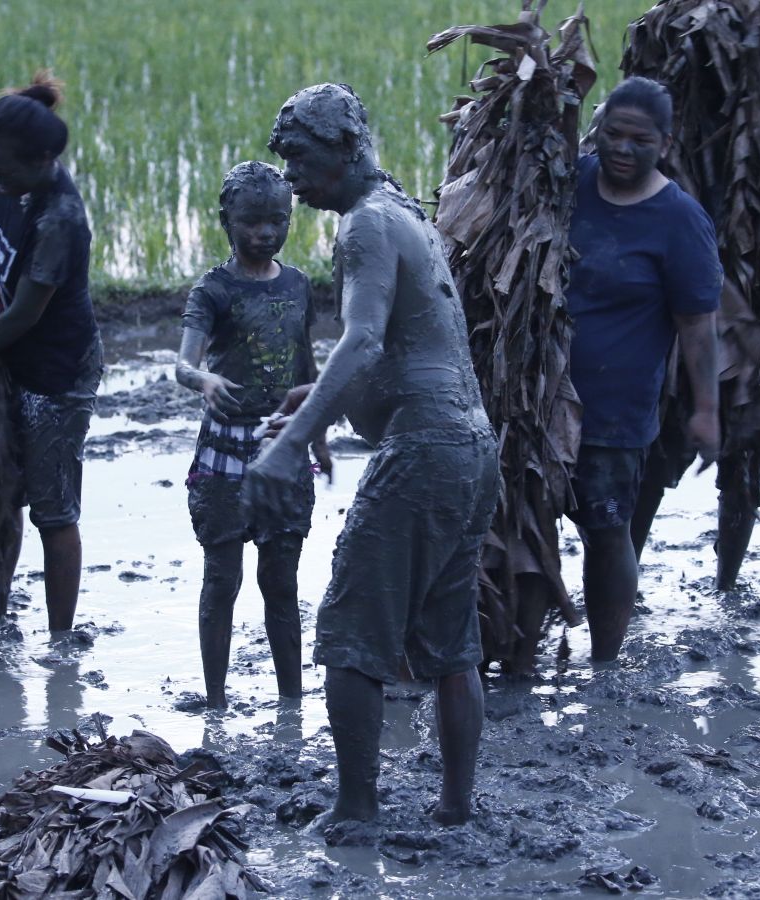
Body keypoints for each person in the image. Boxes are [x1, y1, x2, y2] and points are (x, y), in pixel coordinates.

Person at [244, 83, 498, 827]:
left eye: (299, 156)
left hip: (423, 451)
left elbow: (362, 342)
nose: (289, 175)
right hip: (471, 449)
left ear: (347, 147)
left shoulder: (363, 225)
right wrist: (316, 405)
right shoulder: (403, 213)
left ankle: (355, 811)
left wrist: (289, 446)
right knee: (452, 641)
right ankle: (456, 805)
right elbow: (411, 351)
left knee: (353, 632)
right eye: (283, 157)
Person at [566, 76, 721, 662]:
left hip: (615, 412)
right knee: (521, 520)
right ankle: (514, 650)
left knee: (607, 533)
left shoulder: (679, 220)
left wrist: (706, 411)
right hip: (540, 401)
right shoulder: (572, 183)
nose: (623, 150)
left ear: (666, 142)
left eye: (640, 140)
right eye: (612, 134)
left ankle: (605, 657)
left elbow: (697, 328)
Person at [174, 160, 328, 709]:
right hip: (224, 450)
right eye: (252, 222)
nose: (265, 233)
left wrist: (319, 435)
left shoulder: (298, 285)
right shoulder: (212, 291)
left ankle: (291, 705)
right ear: (226, 221)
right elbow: (183, 364)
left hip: (281, 443)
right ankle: (215, 702)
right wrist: (203, 378)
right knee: (221, 577)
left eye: (277, 221)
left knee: (281, 583)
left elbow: (307, 366)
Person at [0, 71, 102, 635]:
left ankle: (61, 638)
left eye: (2, 167)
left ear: (39, 162)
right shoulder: (9, 185)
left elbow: (24, 312)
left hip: (57, 373)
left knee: (53, 510)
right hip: (16, 359)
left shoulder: (58, 218)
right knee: (6, 498)